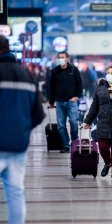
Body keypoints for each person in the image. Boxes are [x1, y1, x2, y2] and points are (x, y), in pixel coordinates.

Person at [0, 35, 45, 224]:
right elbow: (39, 114)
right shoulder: (28, 76)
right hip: (19, 143)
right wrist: (23, 128)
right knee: (16, 192)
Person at [48, 51, 83, 153]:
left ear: (67, 58)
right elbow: (52, 87)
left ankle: (74, 142)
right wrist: (51, 101)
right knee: (61, 125)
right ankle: (65, 144)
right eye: (59, 57)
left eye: (63, 57)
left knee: (73, 122)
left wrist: (76, 96)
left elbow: (79, 84)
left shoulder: (74, 69)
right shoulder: (55, 71)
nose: (61, 59)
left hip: (71, 102)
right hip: (59, 102)